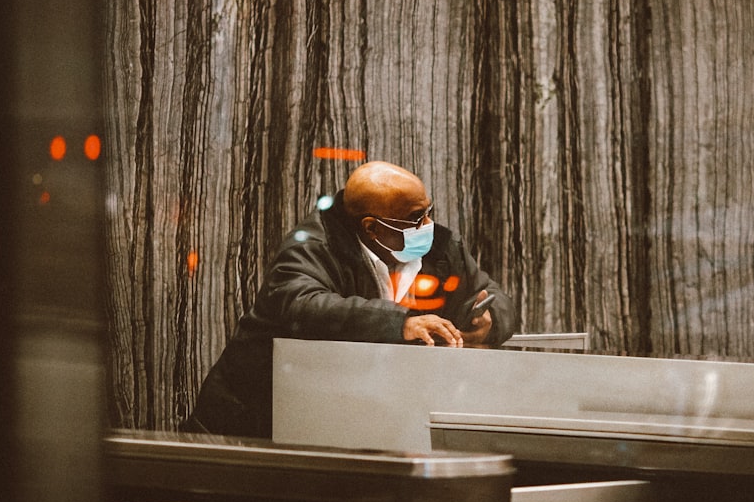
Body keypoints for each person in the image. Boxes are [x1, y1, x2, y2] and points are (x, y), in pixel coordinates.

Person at [182, 160, 516, 438]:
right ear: (372, 227)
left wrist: (490, 324)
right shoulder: (313, 246)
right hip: (254, 427)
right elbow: (302, 304)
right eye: (416, 217)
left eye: (429, 211)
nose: (428, 224)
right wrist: (402, 323)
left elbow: (493, 296)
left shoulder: (442, 246)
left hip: (364, 421)